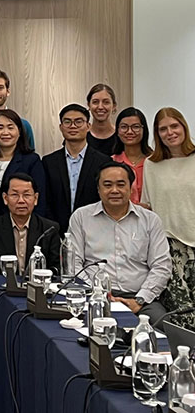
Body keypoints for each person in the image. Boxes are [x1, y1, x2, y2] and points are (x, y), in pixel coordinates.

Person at [69, 162, 171, 323]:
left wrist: (139, 300)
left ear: (131, 187)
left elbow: (161, 266)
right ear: (98, 189)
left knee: (162, 326)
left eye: (121, 184)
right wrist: (97, 294)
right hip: (94, 296)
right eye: (107, 185)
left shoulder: (150, 220)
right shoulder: (81, 217)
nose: (114, 190)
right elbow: (73, 263)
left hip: (139, 298)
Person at [142, 107, 195, 328]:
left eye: (174, 126)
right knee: (181, 315)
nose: (170, 132)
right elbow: (147, 206)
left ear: (184, 126)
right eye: (163, 129)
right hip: (169, 247)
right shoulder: (151, 164)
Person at [0, 173, 60, 291]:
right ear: (5, 198)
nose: (21, 201)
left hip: (39, 292)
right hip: (3, 292)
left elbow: (56, 271)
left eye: (27, 195)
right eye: (15, 195)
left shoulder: (49, 229)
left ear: (35, 199)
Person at [42, 104, 111, 234]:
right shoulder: (48, 162)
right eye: (67, 122)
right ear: (61, 127)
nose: (73, 126)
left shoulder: (103, 162)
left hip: (95, 231)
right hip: (56, 231)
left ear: (88, 126)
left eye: (78, 122)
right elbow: (46, 201)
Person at [0, 109, 46, 216]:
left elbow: (40, 198)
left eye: (10, 127)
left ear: (19, 131)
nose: (5, 132)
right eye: (0, 128)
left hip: (21, 221)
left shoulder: (31, 160)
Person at [112, 107, 152, 205]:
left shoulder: (154, 161)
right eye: (124, 127)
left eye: (136, 127)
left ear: (144, 130)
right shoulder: (111, 162)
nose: (129, 132)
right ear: (117, 131)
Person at [86, 83, 118, 155]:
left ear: (114, 106)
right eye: (95, 102)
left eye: (106, 102)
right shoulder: (81, 136)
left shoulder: (122, 136)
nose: (100, 107)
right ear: (89, 105)